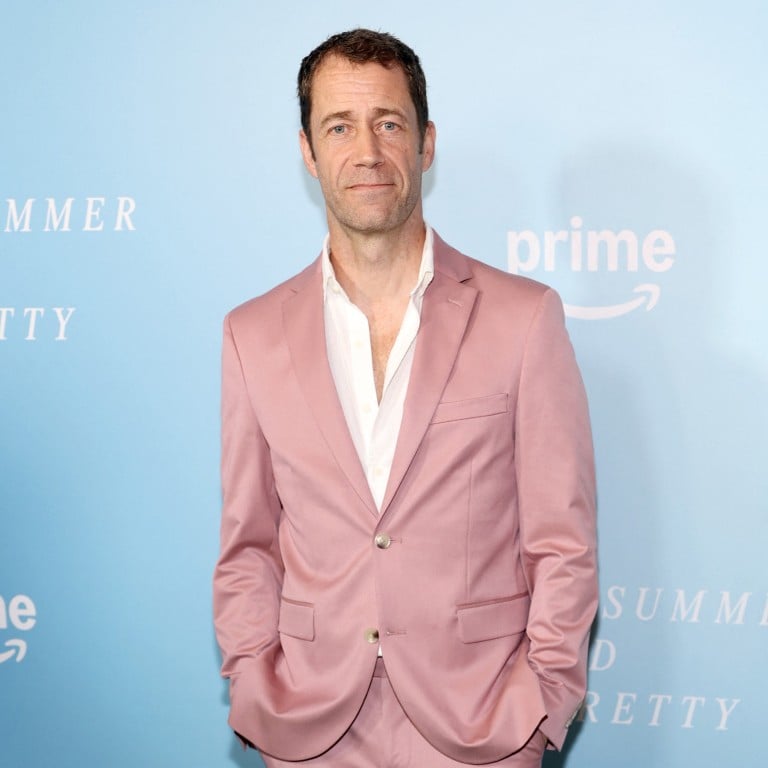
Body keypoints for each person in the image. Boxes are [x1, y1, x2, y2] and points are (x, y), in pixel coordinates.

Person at [213, 28, 597, 768]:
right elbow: (247, 544)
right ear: (307, 151)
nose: (367, 151)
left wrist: (541, 700)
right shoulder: (251, 334)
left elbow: (563, 541)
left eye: (388, 123)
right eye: (339, 127)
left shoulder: (523, 318)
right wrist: (254, 679)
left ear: (426, 143)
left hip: (481, 723)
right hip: (308, 726)